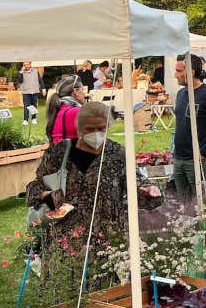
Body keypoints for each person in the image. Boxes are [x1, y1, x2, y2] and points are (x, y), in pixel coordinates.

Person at [26, 101, 163, 237]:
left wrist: (149, 191)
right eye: (90, 129)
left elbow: (137, 184)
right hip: (65, 238)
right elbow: (34, 187)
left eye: (101, 129)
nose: (96, 134)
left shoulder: (118, 153)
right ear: (79, 128)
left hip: (108, 237)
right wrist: (45, 196)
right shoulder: (59, 152)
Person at [171, 54, 206, 200]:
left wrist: (204, 151)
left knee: (203, 204)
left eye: (179, 71)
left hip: (201, 160)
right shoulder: (181, 94)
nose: (175, 75)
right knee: (184, 207)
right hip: (179, 159)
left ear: (192, 72)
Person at [45, 75, 86, 143]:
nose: (84, 94)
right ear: (76, 91)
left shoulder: (60, 108)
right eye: (83, 90)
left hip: (61, 151)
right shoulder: (75, 111)